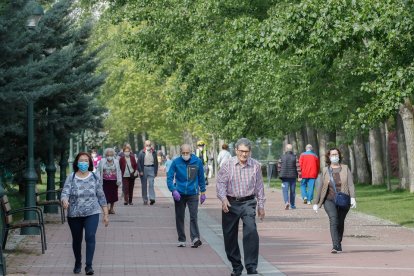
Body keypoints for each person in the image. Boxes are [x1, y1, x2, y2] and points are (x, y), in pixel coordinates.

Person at [216, 138, 265, 276]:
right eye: (241, 151)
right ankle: (236, 266)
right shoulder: (228, 164)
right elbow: (220, 183)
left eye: (247, 152)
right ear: (236, 150)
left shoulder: (255, 165)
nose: (244, 154)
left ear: (250, 152)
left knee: (251, 231)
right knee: (229, 236)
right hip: (230, 203)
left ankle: (251, 266)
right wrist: (223, 199)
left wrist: (261, 205)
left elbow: (259, 187)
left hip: (248, 202)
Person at [61, 152, 109, 275]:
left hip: (92, 212)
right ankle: (78, 262)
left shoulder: (94, 176)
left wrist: (105, 213)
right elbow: (65, 192)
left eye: (86, 161)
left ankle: (89, 266)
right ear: (77, 163)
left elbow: (101, 195)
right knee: (77, 240)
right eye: (81, 161)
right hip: (74, 214)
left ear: (89, 163)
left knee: (90, 236)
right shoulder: (71, 177)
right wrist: (65, 200)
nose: (84, 163)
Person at [313, 148, 356, 253]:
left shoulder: (345, 168)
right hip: (329, 199)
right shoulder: (325, 170)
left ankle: (338, 242)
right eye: (332, 154)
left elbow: (350, 184)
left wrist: (353, 197)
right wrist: (316, 202)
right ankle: (335, 245)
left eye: (336, 154)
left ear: (339, 156)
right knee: (334, 219)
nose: (334, 156)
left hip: (344, 200)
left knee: (340, 222)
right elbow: (320, 187)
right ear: (329, 157)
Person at [167, 144, 206, 248]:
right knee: (180, 216)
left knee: (193, 216)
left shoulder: (197, 162)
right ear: (181, 153)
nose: (185, 155)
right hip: (179, 194)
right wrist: (173, 190)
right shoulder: (176, 162)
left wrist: (203, 192)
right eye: (183, 153)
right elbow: (169, 178)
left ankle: (195, 238)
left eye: (187, 153)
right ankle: (181, 239)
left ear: (191, 152)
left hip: (193, 193)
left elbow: (201, 178)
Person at [97, 148, 122, 214]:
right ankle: (107, 208)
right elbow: (98, 170)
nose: (109, 157)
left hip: (114, 181)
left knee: (113, 195)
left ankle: (111, 208)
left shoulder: (116, 161)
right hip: (105, 181)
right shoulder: (102, 161)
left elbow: (118, 171)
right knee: (105, 195)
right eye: (108, 155)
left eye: (111, 155)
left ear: (113, 155)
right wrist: (98, 179)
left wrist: (119, 180)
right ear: (106, 155)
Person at [278, 144, 301, 210]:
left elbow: (279, 166)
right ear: (291, 150)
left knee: (285, 190)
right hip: (293, 176)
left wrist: (280, 173)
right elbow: (298, 167)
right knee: (292, 191)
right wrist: (300, 176)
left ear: (286, 149)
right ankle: (293, 205)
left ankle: (286, 202)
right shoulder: (295, 157)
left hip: (284, 176)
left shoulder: (282, 157)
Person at [137, 140, 159, 205]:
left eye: (149, 145)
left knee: (151, 184)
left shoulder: (154, 152)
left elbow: (156, 162)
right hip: (144, 169)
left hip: (152, 168)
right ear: (144, 145)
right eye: (147, 145)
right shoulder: (141, 152)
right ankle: (145, 199)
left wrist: (155, 171)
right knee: (144, 185)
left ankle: (152, 198)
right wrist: (140, 171)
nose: (148, 146)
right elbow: (138, 162)